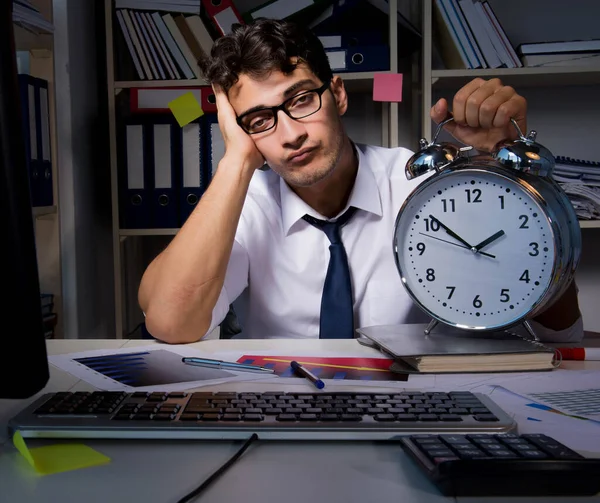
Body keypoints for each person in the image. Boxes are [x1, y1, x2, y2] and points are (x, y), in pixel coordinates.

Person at [138, 18, 583, 344]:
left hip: (420, 403)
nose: (291, 133)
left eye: (301, 100)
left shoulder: (427, 190)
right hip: (285, 415)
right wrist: (235, 160)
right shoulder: (248, 203)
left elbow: (556, 330)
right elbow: (173, 323)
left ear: (338, 94)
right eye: (259, 119)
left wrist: (505, 179)